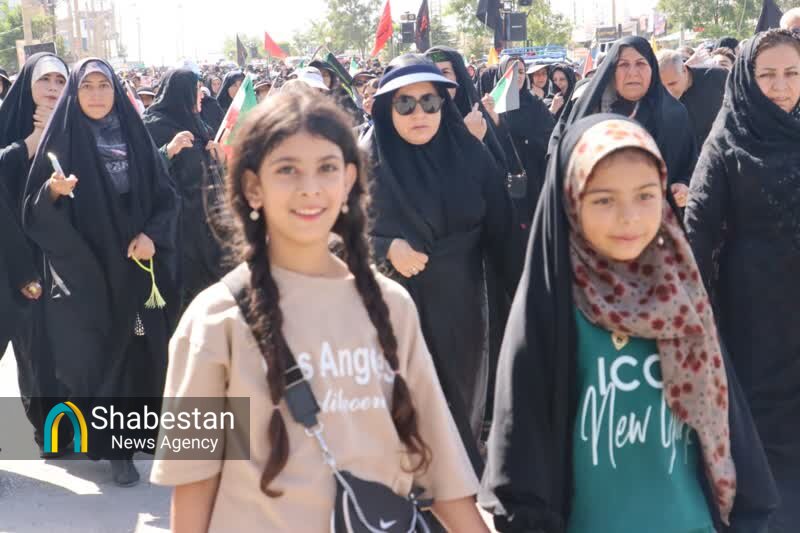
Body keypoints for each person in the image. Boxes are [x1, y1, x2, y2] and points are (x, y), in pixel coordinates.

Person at [150, 88, 488, 533]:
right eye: (287, 169)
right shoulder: (215, 321)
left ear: (349, 180)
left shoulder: (391, 307)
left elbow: (440, 467)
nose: (310, 188)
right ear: (253, 187)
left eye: (326, 168)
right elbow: (195, 482)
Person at [481, 114, 778, 533]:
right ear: (570, 201)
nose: (629, 217)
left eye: (645, 196)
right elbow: (522, 463)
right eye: (604, 200)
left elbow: (731, 432)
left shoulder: (679, 295)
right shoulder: (554, 310)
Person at [22, 58, 179, 486]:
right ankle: (106, 443)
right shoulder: (63, 137)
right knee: (91, 357)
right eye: (86, 86)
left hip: (134, 263)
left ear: (115, 91)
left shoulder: (135, 135)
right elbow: (32, 211)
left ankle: (123, 445)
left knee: (135, 350)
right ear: (75, 93)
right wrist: (53, 193)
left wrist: (152, 235)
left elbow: (166, 196)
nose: (95, 94)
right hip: (83, 272)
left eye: (103, 85)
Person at [363, 55, 521, 475]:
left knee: (455, 421)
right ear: (387, 108)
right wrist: (384, 248)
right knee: (399, 422)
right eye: (405, 103)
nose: (419, 113)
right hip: (390, 315)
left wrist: (533, 305)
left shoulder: (471, 155)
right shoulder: (365, 163)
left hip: (461, 311)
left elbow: (504, 234)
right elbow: (335, 237)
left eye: (430, 102)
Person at [685, 29, 800, 532]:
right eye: (768, 74)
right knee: (760, 433)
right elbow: (698, 230)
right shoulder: (728, 139)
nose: (781, 86)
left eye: (792, 73)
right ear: (747, 79)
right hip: (753, 315)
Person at [0, 53, 68, 455]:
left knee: (68, 344)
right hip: (15, 257)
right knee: (34, 348)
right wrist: (31, 143)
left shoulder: (76, 123)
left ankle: (69, 430)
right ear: (27, 84)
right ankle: (48, 431)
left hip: (67, 254)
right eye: (45, 80)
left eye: (61, 81)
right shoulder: (8, 124)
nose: (53, 89)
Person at [551, 36, 697, 211]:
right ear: (612, 69)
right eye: (623, 64)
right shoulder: (589, 108)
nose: (632, 72)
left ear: (652, 68)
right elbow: (559, 153)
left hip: (655, 218)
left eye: (640, 63)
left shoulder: (674, 114)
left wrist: (683, 186)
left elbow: (689, 166)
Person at [143, 68, 227, 310]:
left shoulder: (200, 126)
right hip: (176, 228)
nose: (201, 95)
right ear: (180, 93)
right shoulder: (153, 126)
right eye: (195, 90)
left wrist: (220, 160)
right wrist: (168, 151)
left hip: (207, 227)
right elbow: (141, 172)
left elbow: (213, 176)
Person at [484, 55, 555, 229]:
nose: (518, 76)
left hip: (532, 176)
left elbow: (550, 137)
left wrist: (528, 141)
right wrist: (494, 118)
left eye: (521, 71)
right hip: (502, 178)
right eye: (512, 71)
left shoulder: (535, 104)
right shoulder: (491, 106)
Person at [658, 49, 728, 148]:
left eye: (672, 84)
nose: (668, 91)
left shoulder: (718, 76)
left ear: (684, 70)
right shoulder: (656, 99)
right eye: (662, 87)